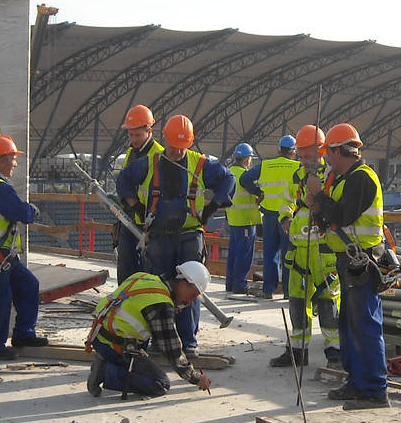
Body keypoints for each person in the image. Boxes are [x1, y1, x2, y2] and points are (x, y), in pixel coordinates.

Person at [116, 114, 233, 357]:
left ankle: (188, 342)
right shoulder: (150, 163)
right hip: (158, 237)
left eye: (182, 148)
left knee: (190, 290)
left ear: (189, 144)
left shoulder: (200, 164)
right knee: (156, 288)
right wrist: (135, 204)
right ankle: (160, 340)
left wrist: (215, 205)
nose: (177, 152)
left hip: (189, 235)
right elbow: (124, 179)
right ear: (165, 140)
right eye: (172, 147)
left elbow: (227, 179)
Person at [305, 123, 389, 409]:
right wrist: (317, 206)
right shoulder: (343, 180)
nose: (326, 159)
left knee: (364, 324)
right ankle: (357, 382)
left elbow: (344, 215)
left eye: (329, 152)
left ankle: (375, 389)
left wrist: (320, 197)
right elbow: (330, 221)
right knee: (350, 325)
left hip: (362, 261)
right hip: (349, 260)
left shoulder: (361, 179)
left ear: (340, 151)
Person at [85, 262, 213, 397]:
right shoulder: (160, 303)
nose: (190, 302)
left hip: (99, 336)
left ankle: (109, 363)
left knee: (146, 337)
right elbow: (171, 349)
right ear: (184, 284)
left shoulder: (144, 278)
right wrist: (196, 377)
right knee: (160, 384)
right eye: (192, 295)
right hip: (114, 346)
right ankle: (105, 371)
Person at [272, 125, 341, 370]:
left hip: (325, 252)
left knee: (328, 302)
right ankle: (298, 351)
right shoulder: (296, 177)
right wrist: (285, 219)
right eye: (300, 155)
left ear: (321, 151)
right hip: (299, 250)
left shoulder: (332, 176)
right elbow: (285, 202)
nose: (304, 160)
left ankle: (334, 351)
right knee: (298, 303)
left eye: (308, 155)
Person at [0, 135, 49, 360]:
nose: (15, 164)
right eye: (13, 159)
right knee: (0, 299)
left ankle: (23, 334)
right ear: (2, 160)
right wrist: (32, 210)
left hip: (4, 254)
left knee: (28, 285)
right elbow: (21, 213)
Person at [240, 134, 300, 299]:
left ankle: (268, 290)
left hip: (268, 215)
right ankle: (288, 292)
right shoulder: (297, 166)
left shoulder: (266, 165)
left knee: (270, 254)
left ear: (279, 150)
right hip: (287, 217)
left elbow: (244, 179)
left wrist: (258, 192)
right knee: (289, 255)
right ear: (293, 152)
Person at [115, 104, 163, 282]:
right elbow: (124, 182)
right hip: (129, 217)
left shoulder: (158, 155)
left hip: (148, 221)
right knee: (125, 266)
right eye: (130, 134)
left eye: (137, 134)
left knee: (147, 268)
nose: (133, 139)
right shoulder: (131, 153)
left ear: (149, 131)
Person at [224, 143, 260, 294]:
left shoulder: (229, 172)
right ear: (246, 160)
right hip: (245, 220)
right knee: (244, 254)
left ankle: (231, 283)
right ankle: (240, 284)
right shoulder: (245, 176)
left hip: (233, 219)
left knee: (233, 253)